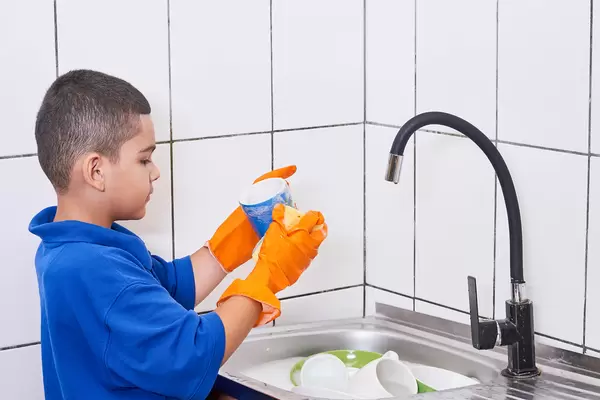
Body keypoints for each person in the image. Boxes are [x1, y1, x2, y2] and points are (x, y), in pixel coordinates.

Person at [28, 69, 328, 400]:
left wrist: (243, 230)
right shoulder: (91, 267)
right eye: (144, 159)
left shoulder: (75, 246)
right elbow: (192, 354)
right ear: (96, 171)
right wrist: (269, 274)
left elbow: (168, 288)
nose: (155, 172)